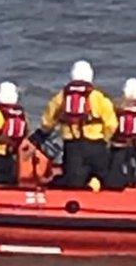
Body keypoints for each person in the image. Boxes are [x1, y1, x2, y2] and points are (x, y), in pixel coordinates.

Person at [32, 60, 117, 189]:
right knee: (106, 176)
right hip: (96, 146)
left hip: (72, 147)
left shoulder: (61, 97)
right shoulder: (99, 97)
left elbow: (48, 121)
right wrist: (105, 140)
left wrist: (40, 134)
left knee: (73, 181)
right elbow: (112, 125)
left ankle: (77, 182)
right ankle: (95, 183)